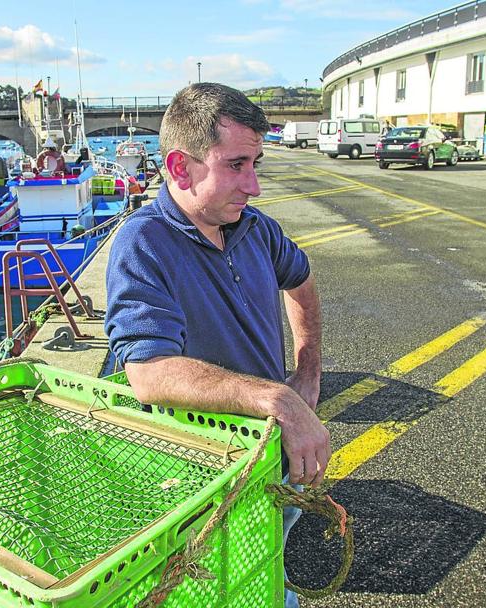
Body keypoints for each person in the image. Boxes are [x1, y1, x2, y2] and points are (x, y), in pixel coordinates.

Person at [105, 82, 329, 608]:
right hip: (191, 475)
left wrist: (308, 366)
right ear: (181, 168)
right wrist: (278, 399)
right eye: (236, 165)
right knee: (209, 584)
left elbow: (302, 280)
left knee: (268, 562)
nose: (253, 185)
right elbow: (148, 372)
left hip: (269, 455)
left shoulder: (257, 229)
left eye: (256, 163)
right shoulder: (142, 244)